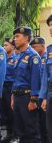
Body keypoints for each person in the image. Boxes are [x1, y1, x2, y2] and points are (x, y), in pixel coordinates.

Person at [12, 26, 41, 143]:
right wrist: (13, 97)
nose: (15, 39)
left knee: (31, 131)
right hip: (18, 97)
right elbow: (16, 79)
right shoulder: (19, 55)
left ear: (26, 38)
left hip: (27, 98)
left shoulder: (33, 56)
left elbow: (36, 79)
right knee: (21, 131)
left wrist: (33, 100)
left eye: (17, 36)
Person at [30, 37, 48, 143]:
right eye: (32, 47)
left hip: (45, 94)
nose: (33, 49)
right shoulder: (35, 58)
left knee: (46, 123)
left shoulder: (47, 58)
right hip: (38, 94)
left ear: (42, 46)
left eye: (35, 47)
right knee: (39, 122)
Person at [1, 37, 16, 143]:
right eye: (4, 45)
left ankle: (15, 135)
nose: (4, 47)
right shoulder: (3, 58)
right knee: (5, 112)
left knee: (12, 113)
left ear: (12, 46)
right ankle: (9, 134)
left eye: (6, 45)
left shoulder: (16, 58)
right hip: (3, 86)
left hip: (11, 86)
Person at [40, 14, 52, 143]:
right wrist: (43, 97)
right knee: (49, 129)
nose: (50, 28)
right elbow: (45, 76)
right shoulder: (50, 50)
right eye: (49, 25)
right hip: (50, 93)